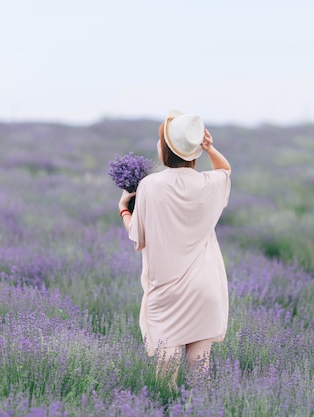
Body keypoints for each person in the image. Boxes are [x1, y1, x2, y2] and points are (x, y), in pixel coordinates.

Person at [118, 109, 231, 386]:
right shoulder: (208, 184)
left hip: (166, 291)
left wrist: (124, 208)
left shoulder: (150, 186)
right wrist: (209, 148)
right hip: (205, 288)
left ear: (166, 149)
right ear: (192, 152)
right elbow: (225, 171)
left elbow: (137, 236)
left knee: (165, 371)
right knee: (199, 372)